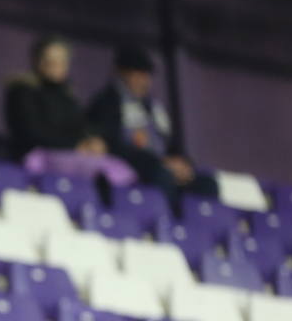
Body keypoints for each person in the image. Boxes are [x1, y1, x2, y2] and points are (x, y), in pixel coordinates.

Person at [86, 45, 219, 209]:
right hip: (138, 169)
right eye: (137, 74)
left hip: (164, 168)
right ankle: (163, 227)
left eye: (146, 75)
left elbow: (171, 144)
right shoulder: (108, 102)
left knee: (206, 183)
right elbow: (111, 144)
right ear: (122, 73)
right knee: (161, 175)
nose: (144, 81)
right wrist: (160, 163)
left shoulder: (153, 107)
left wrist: (183, 163)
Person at [3, 35, 108, 161]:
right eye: (50, 60)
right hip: (35, 157)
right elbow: (31, 133)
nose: (56, 66)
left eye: (61, 61)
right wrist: (74, 145)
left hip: (68, 155)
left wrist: (92, 141)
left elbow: (80, 126)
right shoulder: (23, 91)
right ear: (38, 61)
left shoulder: (66, 96)